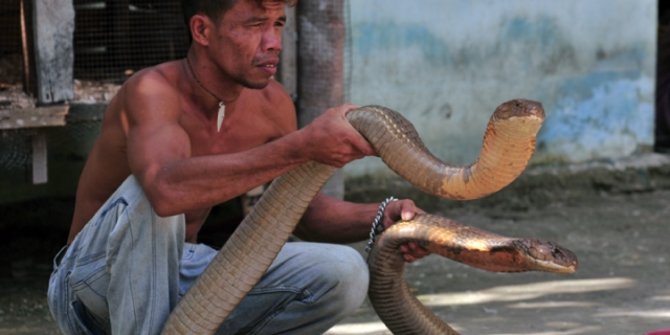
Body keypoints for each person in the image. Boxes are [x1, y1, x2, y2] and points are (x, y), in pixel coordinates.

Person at [47, 0, 428, 334]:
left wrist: (382, 217)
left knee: (343, 272)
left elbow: (302, 212)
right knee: (155, 191)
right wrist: (300, 146)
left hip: (184, 271)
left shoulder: (272, 104)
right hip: (90, 284)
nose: (273, 42)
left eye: (278, 24)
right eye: (254, 25)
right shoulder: (152, 92)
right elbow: (166, 192)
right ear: (202, 30)